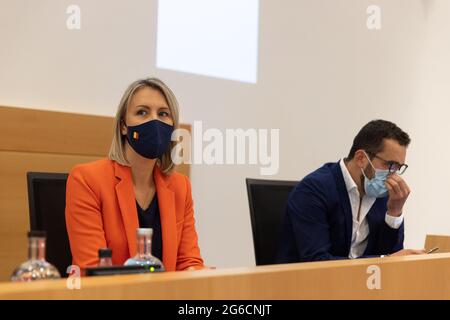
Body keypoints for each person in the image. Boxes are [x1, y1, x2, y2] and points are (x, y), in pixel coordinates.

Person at [65, 78, 204, 272]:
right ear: (123, 126)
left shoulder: (181, 187)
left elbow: (189, 263)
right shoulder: (87, 180)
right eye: (142, 112)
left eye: (163, 114)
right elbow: (94, 271)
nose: (154, 121)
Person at [278, 119, 425, 262]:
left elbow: (392, 257)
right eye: (389, 164)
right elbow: (317, 261)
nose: (393, 175)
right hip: (306, 284)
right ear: (361, 158)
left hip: (362, 284)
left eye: (398, 168)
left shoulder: (381, 193)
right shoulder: (313, 190)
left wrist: (394, 212)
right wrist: (383, 260)